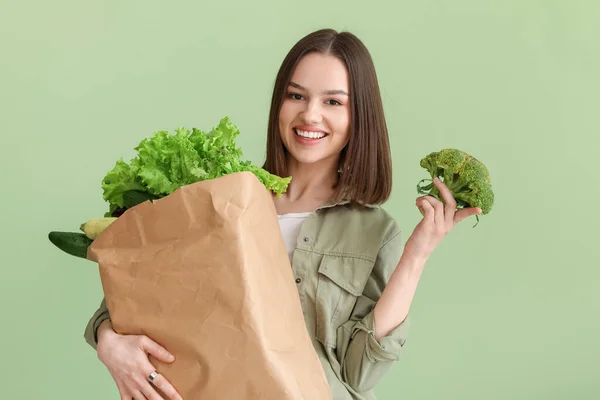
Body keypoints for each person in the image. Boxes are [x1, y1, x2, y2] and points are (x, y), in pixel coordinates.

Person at [83, 28, 482, 400]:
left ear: (357, 116)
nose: (310, 115)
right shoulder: (224, 198)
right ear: (279, 103)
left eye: (333, 101)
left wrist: (417, 254)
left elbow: (360, 372)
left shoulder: (376, 232)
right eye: (296, 96)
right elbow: (135, 295)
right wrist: (108, 342)